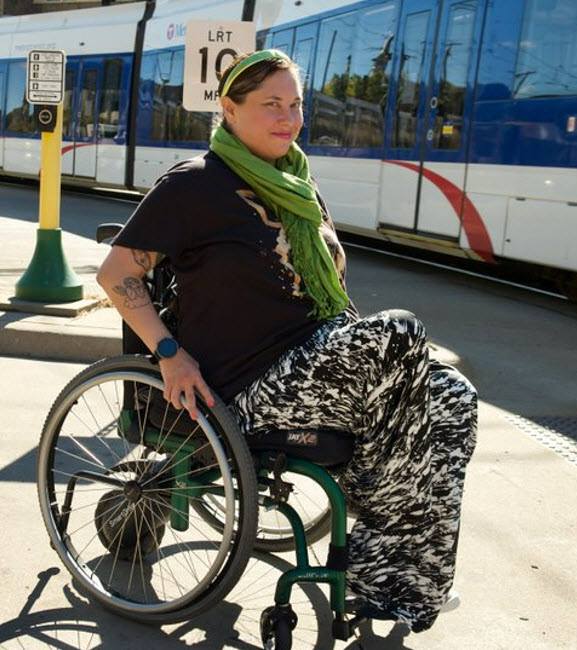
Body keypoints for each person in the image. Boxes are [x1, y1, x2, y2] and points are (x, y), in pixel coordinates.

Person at [96, 49, 477, 633]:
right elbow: (116, 272)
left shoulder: (295, 185)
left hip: (314, 367)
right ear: (229, 109)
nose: (289, 117)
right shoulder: (195, 185)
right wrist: (168, 355)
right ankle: (381, 566)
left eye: (295, 104)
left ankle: (408, 576)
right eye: (271, 104)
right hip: (242, 388)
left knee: (451, 395)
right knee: (400, 332)